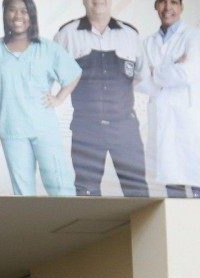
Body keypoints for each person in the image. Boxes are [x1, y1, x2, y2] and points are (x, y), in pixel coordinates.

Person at [0, 0, 82, 196]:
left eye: (24, 11)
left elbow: (73, 73)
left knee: (61, 189)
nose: (18, 16)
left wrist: (59, 98)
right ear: (5, 14)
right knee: (23, 194)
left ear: (32, 15)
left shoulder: (47, 48)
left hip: (44, 129)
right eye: (12, 10)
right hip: (12, 131)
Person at [55, 0, 148, 197]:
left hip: (125, 128)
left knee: (136, 190)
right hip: (86, 129)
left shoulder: (130, 35)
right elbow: (51, 74)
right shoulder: (66, 35)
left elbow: (140, 76)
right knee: (86, 191)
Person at [136, 0, 200, 198]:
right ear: (155, 6)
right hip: (164, 121)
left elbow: (188, 72)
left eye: (173, 2)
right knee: (172, 186)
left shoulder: (194, 37)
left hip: (189, 119)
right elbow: (140, 81)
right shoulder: (148, 43)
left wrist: (157, 72)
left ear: (181, 7)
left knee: (199, 181)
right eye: (162, 2)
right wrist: (171, 68)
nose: (167, 7)